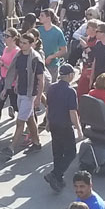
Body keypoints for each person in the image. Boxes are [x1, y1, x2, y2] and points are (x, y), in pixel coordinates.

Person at [0, 33, 45, 159]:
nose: (22, 45)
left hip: (30, 94)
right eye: (21, 42)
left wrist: (38, 97)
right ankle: (36, 143)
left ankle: (11, 148)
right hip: (20, 91)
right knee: (29, 119)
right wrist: (9, 87)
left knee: (20, 121)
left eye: (25, 43)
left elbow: (41, 79)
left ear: (31, 44)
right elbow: (16, 71)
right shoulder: (19, 56)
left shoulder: (35, 59)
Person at [44, 63, 83, 191]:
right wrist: (78, 129)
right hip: (65, 126)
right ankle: (55, 174)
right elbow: (73, 113)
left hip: (54, 124)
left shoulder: (52, 88)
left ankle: (58, 179)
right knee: (71, 153)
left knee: (58, 152)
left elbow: (48, 107)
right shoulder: (70, 91)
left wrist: (48, 122)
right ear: (70, 75)